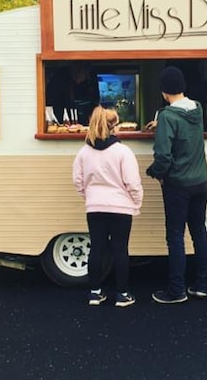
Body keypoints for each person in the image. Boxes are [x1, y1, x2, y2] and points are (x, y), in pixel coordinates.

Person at [146, 66, 207, 304]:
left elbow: (163, 156)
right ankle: (202, 286)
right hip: (201, 182)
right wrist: (160, 124)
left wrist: (155, 173)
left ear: (164, 92)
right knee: (199, 233)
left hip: (177, 185)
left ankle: (177, 291)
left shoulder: (167, 116)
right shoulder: (197, 108)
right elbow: (184, 132)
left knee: (175, 236)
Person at [73, 106, 143, 307]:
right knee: (120, 249)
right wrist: (136, 203)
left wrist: (89, 196)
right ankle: (122, 294)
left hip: (94, 206)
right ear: (114, 127)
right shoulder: (123, 151)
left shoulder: (84, 152)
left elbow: (77, 180)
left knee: (96, 248)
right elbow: (132, 182)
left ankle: (95, 293)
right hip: (121, 207)